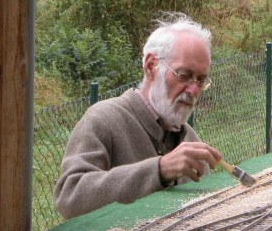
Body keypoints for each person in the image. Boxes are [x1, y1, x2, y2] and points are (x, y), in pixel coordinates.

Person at [54, 13, 222, 219]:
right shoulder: (103, 120)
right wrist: (159, 170)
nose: (194, 90)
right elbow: (69, 197)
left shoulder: (190, 140)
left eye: (201, 80)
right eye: (184, 76)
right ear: (151, 66)